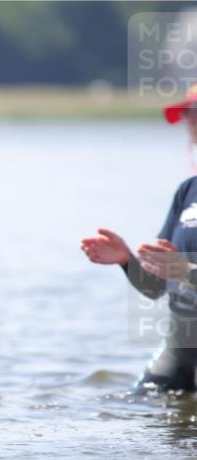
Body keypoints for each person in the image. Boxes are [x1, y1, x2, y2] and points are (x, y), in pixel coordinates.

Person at [80, 84, 197, 391]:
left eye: (196, 115)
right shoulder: (187, 191)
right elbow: (155, 287)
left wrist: (187, 272)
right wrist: (126, 261)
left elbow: (184, 273)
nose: (191, 125)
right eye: (188, 117)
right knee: (131, 407)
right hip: (182, 349)